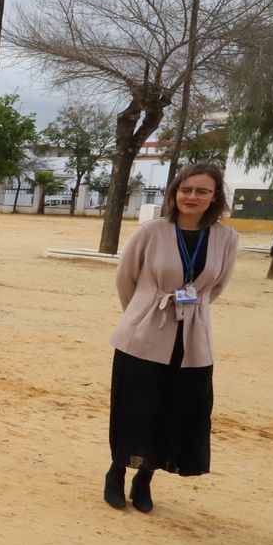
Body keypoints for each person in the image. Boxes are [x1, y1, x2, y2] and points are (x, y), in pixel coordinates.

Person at [105, 162, 238, 513]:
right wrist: (141, 315)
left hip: (192, 340)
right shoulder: (151, 232)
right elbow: (125, 279)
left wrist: (192, 314)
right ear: (174, 192)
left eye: (202, 191)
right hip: (144, 335)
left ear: (214, 197)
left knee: (175, 411)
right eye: (186, 189)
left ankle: (145, 478)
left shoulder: (227, 238)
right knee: (135, 409)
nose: (192, 197)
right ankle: (117, 471)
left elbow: (217, 285)